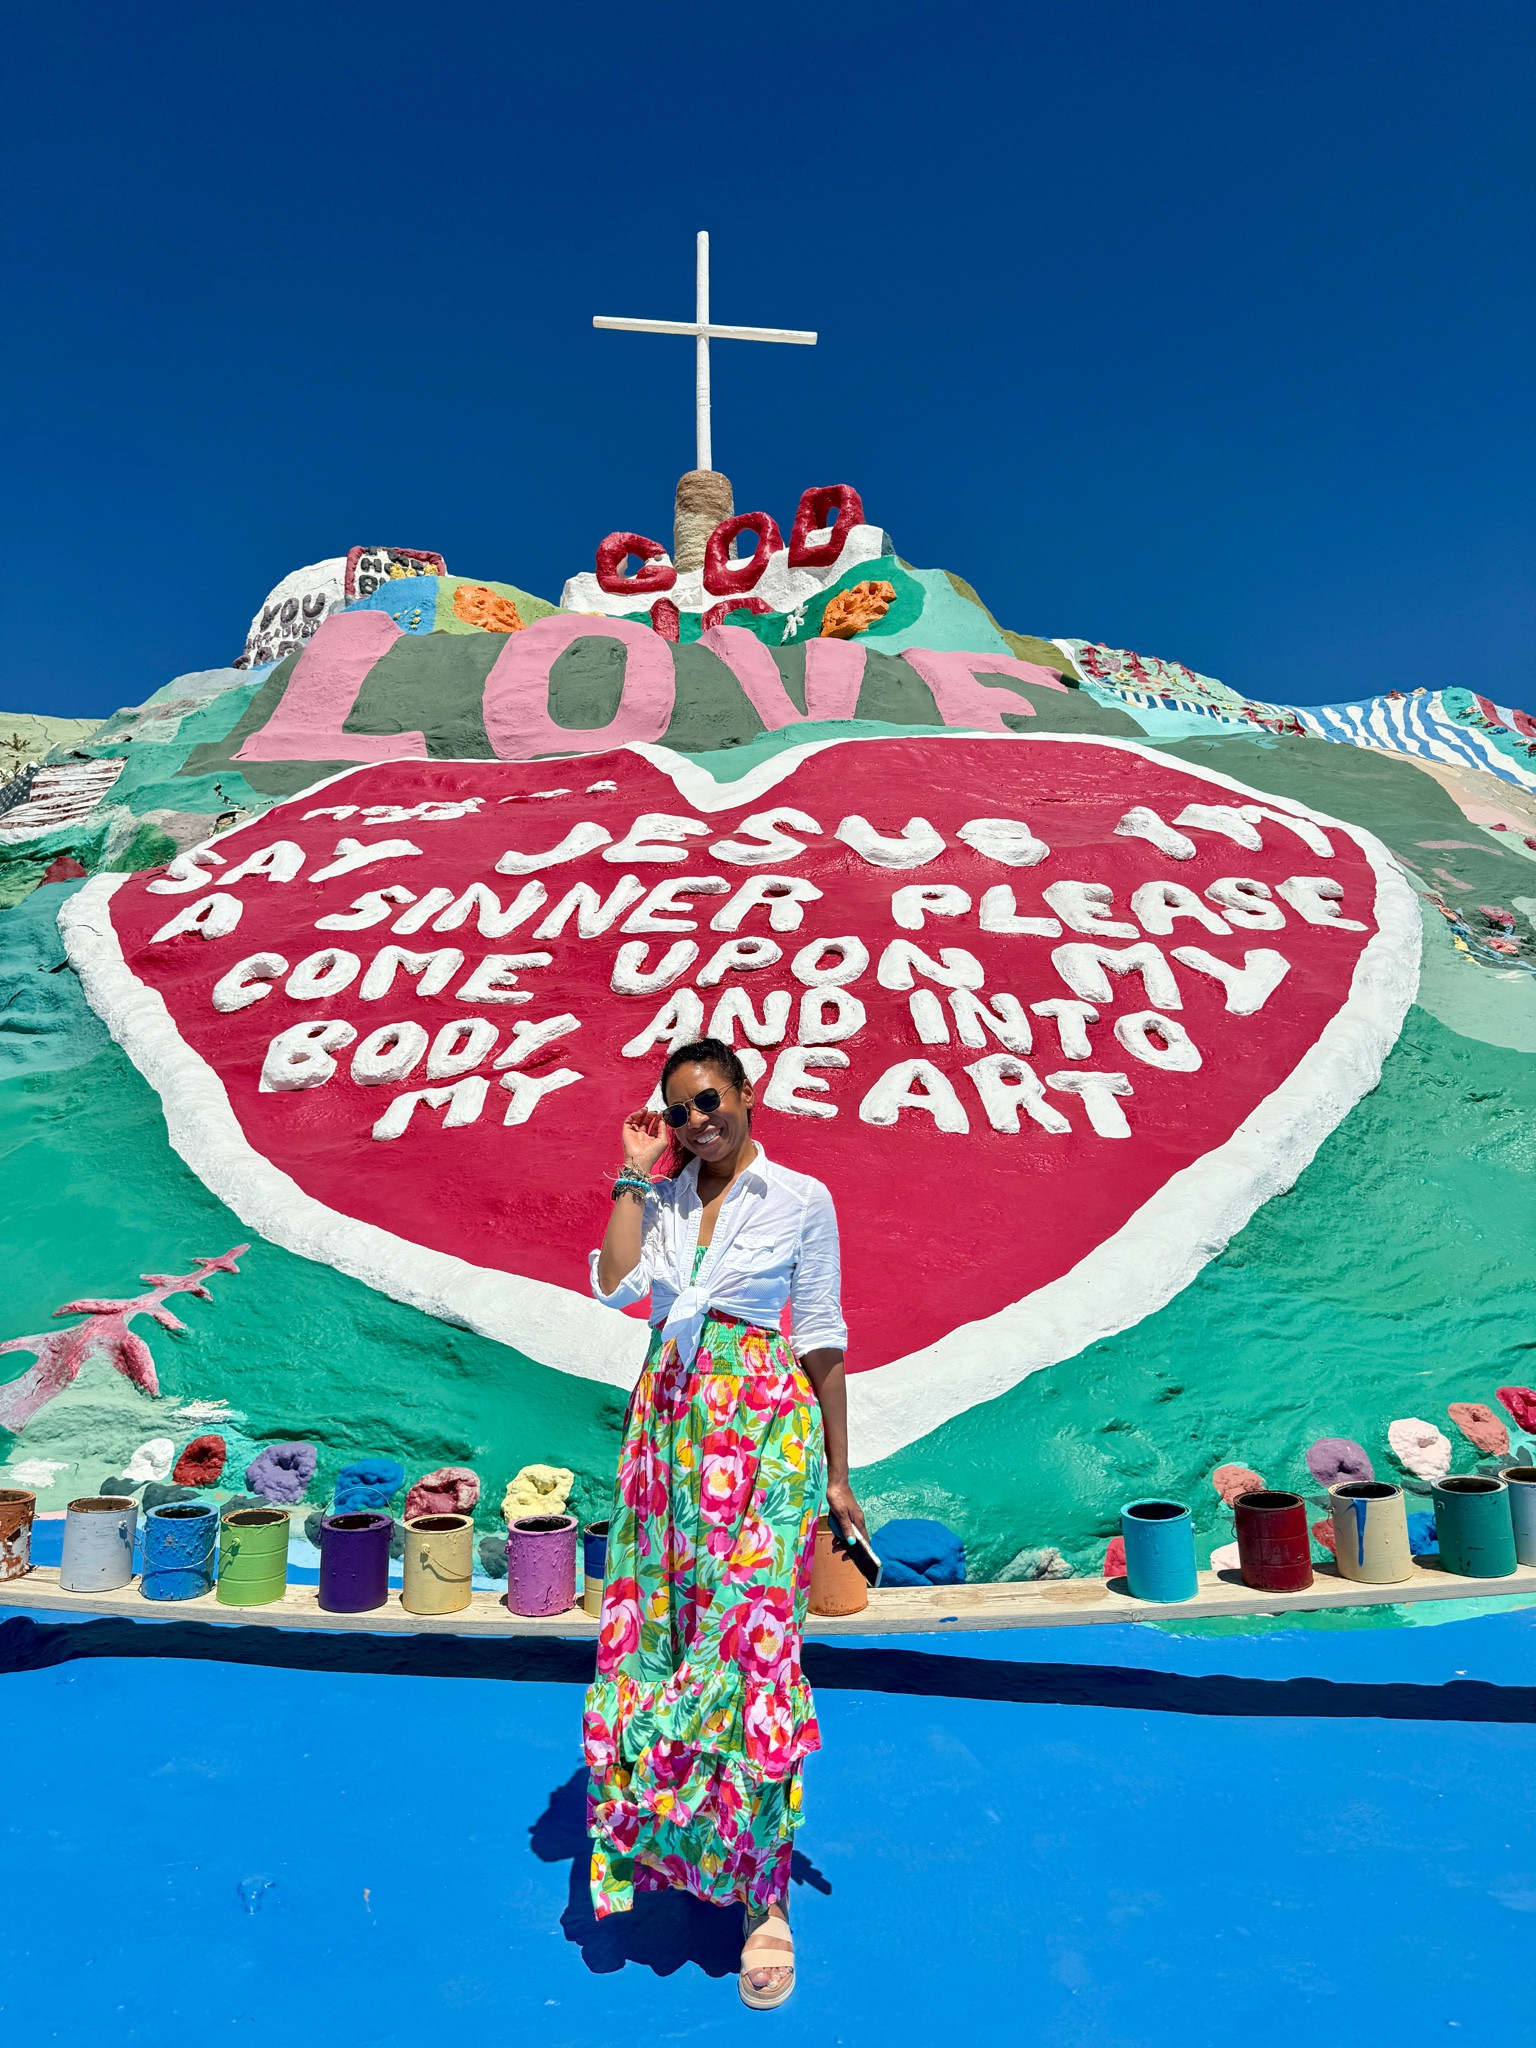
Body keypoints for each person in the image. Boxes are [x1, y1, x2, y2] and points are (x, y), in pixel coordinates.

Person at [584, 1036, 870, 2010]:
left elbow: (822, 1335)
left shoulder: (803, 1198)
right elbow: (616, 1286)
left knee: (749, 1647)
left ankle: (766, 1899)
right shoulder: (662, 1199)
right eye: (678, 1110)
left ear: (749, 1094)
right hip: (667, 1429)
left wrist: (839, 1476)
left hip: (757, 1435)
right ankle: (675, 1850)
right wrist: (632, 1170)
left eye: (710, 1098)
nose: (697, 1119)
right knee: (658, 1642)